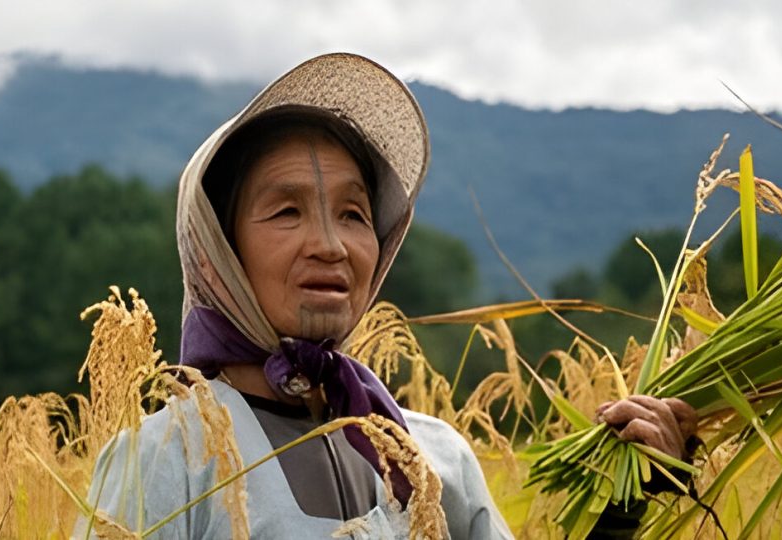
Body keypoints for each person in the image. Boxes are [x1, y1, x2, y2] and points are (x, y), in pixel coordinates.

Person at [81, 52, 695, 539]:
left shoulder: (434, 458)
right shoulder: (166, 462)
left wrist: (625, 505)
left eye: (353, 214)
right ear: (220, 250)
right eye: (287, 211)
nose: (331, 245)